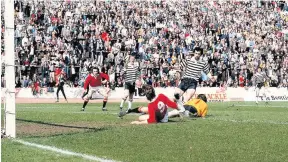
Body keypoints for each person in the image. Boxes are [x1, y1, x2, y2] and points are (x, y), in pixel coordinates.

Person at [173, 47, 210, 115]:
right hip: (185, 80)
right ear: (194, 53)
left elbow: (208, 72)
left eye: (198, 54)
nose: (197, 55)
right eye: (195, 53)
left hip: (193, 82)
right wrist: (177, 73)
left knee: (186, 99)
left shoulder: (203, 63)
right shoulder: (188, 60)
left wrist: (211, 77)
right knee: (175, 97)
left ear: (201, 54)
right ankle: (180, 109)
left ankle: (182, 112)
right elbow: (180, 67)